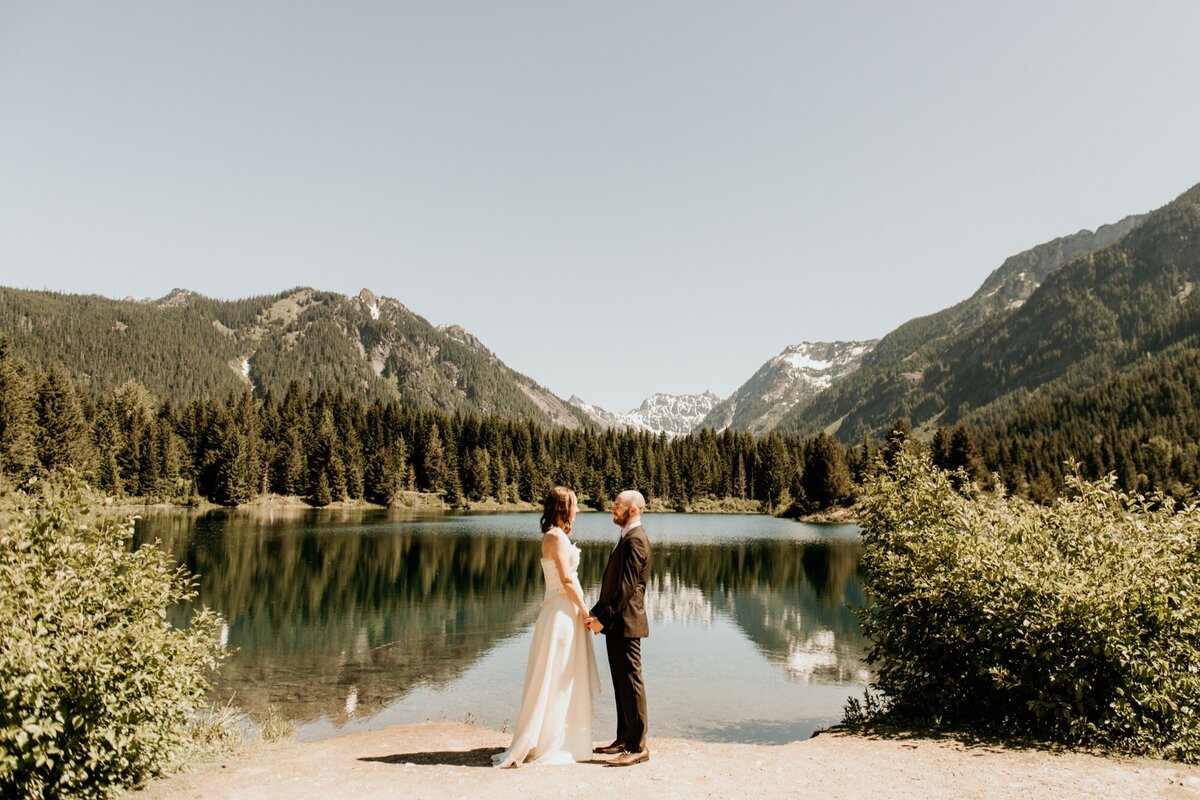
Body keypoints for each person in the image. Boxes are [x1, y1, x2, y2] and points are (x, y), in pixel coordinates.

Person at [492, 486, 600, 768]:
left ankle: (556, 736)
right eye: (574, 506)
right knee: (555, 676)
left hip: (564, 612)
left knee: (561, 677)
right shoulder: (555, 537)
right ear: (564, 508)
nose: (577, 510)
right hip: (561, 616)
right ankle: (551, 741)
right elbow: (566, 580)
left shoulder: (555, 536)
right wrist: (587, 612)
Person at [588, 489, 651, 767]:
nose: (613, 509)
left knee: (631, 682)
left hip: (626, 623)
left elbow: (625, 590)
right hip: (617, 623)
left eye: (618, 505)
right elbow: (613, 586)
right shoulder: (626, 537)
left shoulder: (636, 540)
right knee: (620, 683)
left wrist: (604, 619)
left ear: (633, 510)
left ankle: (638, 746)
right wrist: (595, 612)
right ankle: (624, 738)